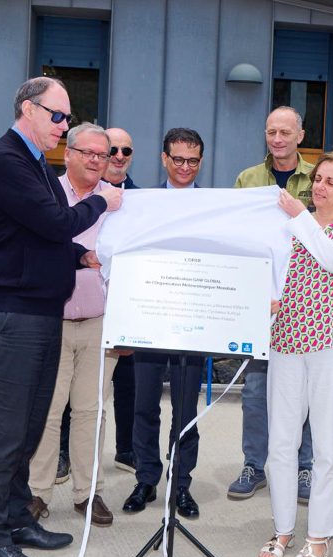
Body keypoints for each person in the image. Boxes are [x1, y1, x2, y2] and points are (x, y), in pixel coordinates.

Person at [0, 77, 123, 557]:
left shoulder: (31, 161)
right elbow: (56, 222)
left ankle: (17, 519)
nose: (63, 124)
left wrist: (81, 256)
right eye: (57, 116)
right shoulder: (4, 160)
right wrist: (103, 202)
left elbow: (40, 236)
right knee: (6, 431)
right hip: (13, 312)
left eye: (67, 117)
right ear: (28, 109)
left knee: (31, 427)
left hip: (37, 311)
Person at [259, 150, 333, 557]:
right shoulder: (292, 225)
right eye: (317, 179)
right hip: (287, 337)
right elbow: (277, 272)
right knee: (281, 443)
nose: (319, 187)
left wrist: (298, 218)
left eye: (330, 181)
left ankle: (319, 536)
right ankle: (283, 529)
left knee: (326, 446)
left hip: (332, 342)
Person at [25, 123, 121, 528]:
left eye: (105, 154)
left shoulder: (118, 202)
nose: (98, 160)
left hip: (101, 321)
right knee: (47, 409)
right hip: (53, 320)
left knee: (91, 410)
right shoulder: (47, 194)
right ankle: (36, 492)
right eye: (89, 153)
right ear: (69, 153)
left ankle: (88, 493)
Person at [228, 106, 315, 502]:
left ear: (300, 135)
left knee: (307, 393)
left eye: (285, 132)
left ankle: (305, 468)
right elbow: (235, 236)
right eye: (270, 132)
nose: (277, 139)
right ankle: (253, 464)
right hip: (261, 303)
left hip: (305, 301)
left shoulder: (319, 178)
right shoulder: (248, 180)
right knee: (255, 390)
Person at [121, 127, 206, 519]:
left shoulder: (213, 206)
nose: (185, 167)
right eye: (178, 159)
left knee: (186, 411)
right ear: (163, 159)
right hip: (151, 317)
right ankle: (146, 479)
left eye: (192, 160)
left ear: (200, 162)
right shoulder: (142, 203)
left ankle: (182, 485)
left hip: (195, 321)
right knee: (144, 406)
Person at [103, 126, 138, 474]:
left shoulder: (143, 199)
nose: (118, 156)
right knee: (73, 391)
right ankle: (65, 452)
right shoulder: (81, 191)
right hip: (83, 303)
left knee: (128, 383)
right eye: (112, 149)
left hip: (128, 306)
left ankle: (126, 449)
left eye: (125, 151)